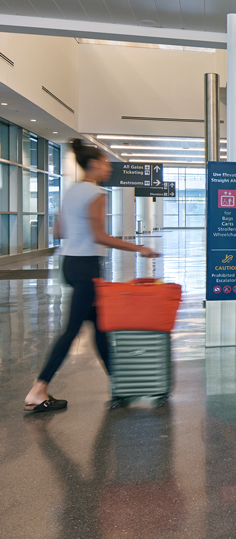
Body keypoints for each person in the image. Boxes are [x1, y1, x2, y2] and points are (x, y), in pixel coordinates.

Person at [24, 140, 159, 413]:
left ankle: (120, 386)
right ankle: (38, 389)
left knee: (101, 326)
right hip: (86, 268)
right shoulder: (96, 193)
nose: (109, 167)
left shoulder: (72, 190)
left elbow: (59, 229)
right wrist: (139, 248)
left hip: (70, 264)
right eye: (106, 162)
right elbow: (100, 236)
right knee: (74, 329)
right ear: (95, 163)